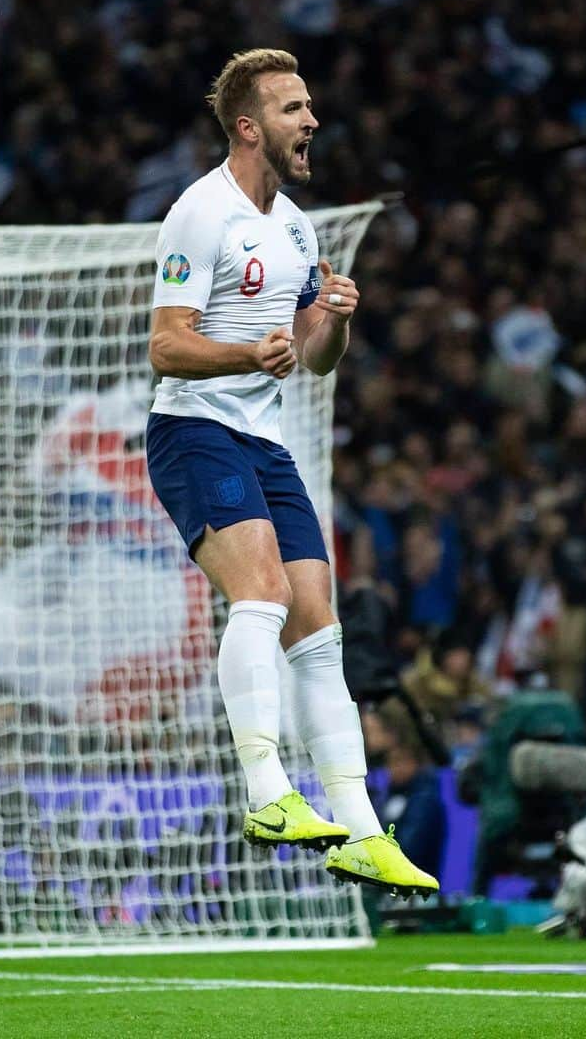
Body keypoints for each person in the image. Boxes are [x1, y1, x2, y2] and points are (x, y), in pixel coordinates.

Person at [144, 48, 437, 896]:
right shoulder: (201, 214)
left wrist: (335, 320)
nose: (311, 121)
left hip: (264, 442)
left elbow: (314, 359)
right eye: (293, 109)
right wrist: (244, 350)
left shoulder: (297, 227)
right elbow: (165, 345)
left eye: (309, 107)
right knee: (263, 595)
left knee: (319, 629)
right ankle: (267, 791)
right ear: (249, 127)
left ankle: (360, 827)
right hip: (194, 431)